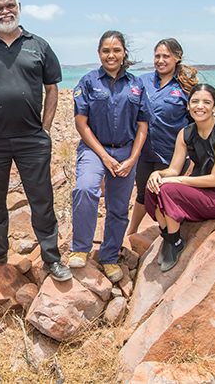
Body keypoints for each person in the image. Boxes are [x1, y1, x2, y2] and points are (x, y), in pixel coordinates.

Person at [0, 0, 72, 282]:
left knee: (42, 199)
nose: (5, 11)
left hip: (32, 140)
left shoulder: (38, 45)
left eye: (9, 5)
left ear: (19, 7)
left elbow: (52, 88)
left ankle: (51, 257)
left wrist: (46, 127)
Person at [68, 30, 151, 283]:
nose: (111, 55)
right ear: (99, 53)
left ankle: (109, 256)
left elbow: (143, 127)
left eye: (116, 50)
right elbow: (81, 124)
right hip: (94, 149)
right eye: (106, 50)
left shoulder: (137, 85)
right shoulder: (88, 81)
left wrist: (132, 159)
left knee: (118, 206)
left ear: (124, 52)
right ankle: (81, 248)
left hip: (127, 151)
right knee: (85, 189)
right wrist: (104, 156)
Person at [145, 83, 215, 271]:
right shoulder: (186, 132)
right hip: (197, 192)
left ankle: (175, 242)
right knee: (153, 187)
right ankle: (169, 236)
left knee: (168, 189)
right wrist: (158, 174)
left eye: (206, 102)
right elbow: (173, 170)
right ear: (188, 105)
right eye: (195, 101)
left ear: (214, 105)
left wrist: (176, 180)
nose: (200, 106)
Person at [126, 38, 199, 236]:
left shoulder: (186, 87)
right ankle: (131, 232)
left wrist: (194, 156)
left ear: (177, 57)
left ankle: (170, 237)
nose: (160, 60)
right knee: (142, 195)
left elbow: (195, 123)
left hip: (172, 155)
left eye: (166, 56)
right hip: (145, 152)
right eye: (157, 56)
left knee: (166, 197)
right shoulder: (143, 81)